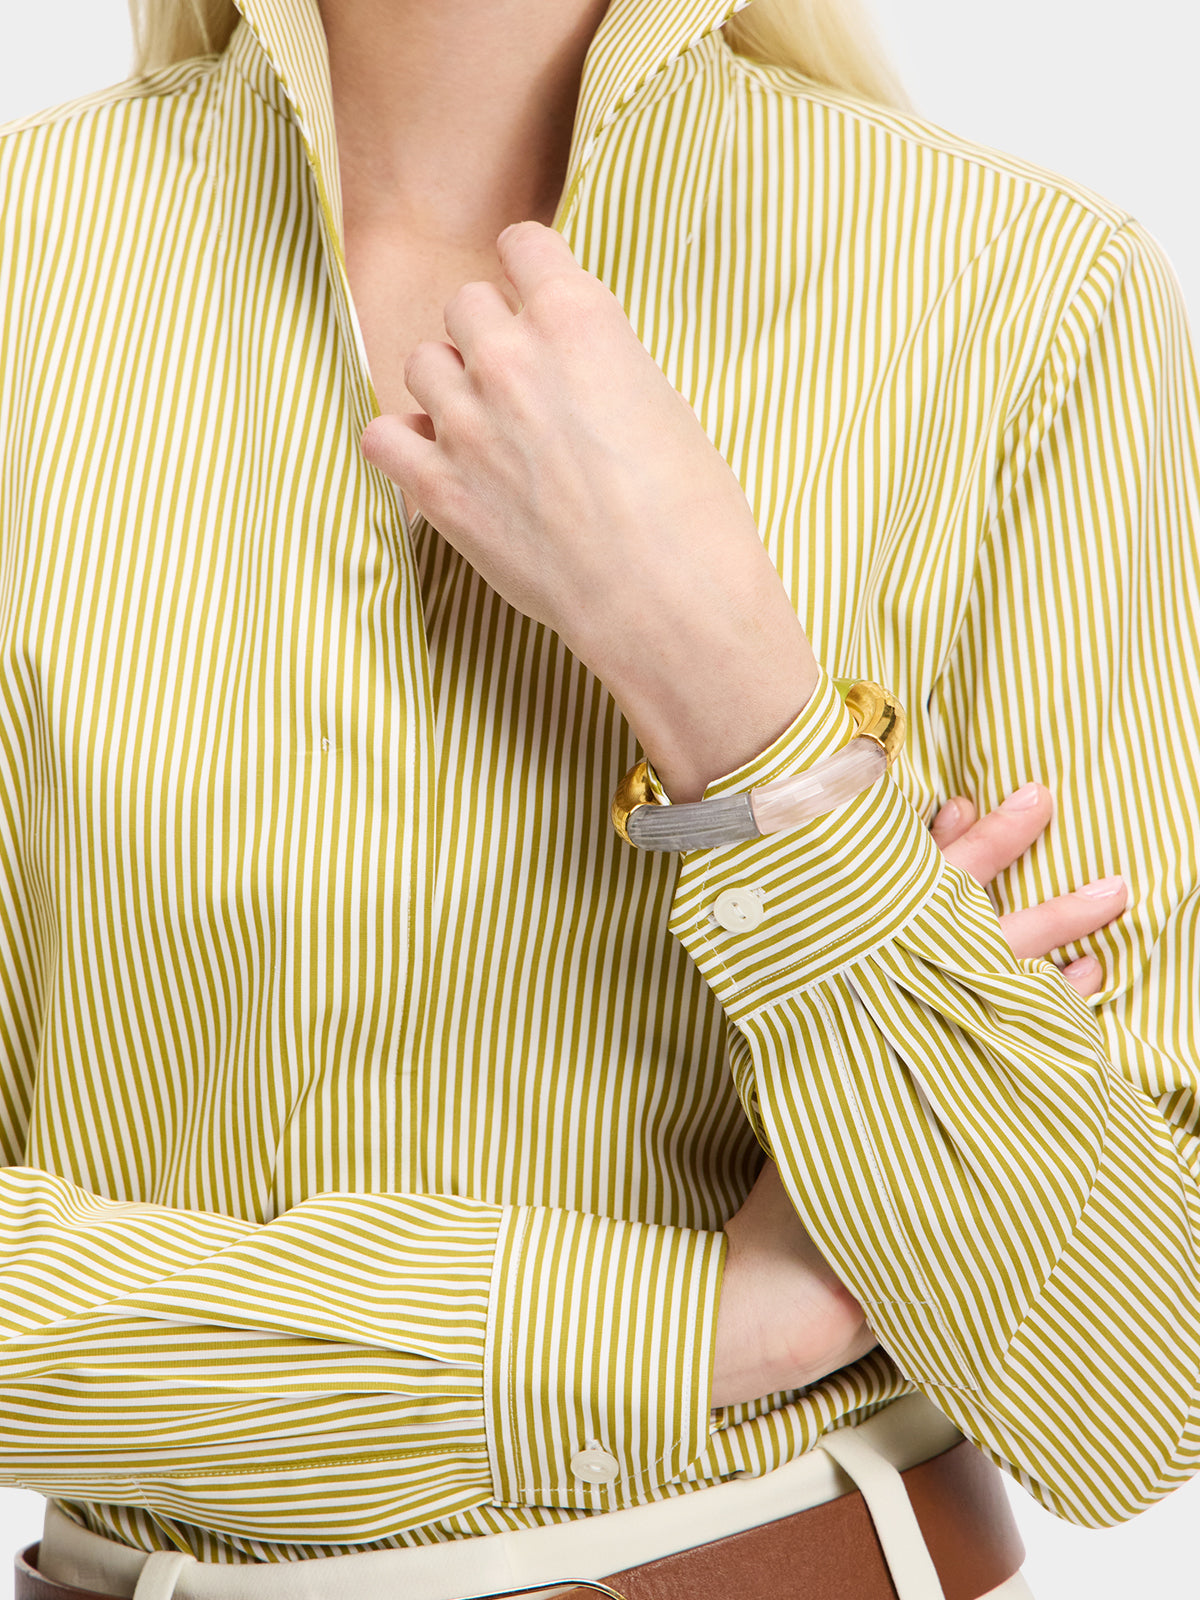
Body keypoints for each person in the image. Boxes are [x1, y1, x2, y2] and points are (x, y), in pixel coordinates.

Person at [0, 1, 1197, 1597]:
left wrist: (735, 696)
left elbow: (1129, 1385)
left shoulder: (1025, 297)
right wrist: (677, 1335)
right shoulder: (28, 269)